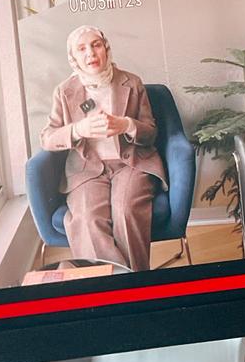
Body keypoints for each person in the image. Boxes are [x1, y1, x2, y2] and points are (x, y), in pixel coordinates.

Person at [39, 25, 166, 271]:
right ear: (73, 57)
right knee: (87, 220)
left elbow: (151, 132)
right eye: (82, 48)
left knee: (126, 212)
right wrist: (78, 130)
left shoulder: (132, 82)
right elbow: (47, 138)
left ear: (106, 49)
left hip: (130, 163)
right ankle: (115, 283)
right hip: (87, 169)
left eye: (96, 45)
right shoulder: (64, 92)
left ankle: (134, 283)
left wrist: (127, 125)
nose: (91, 53)